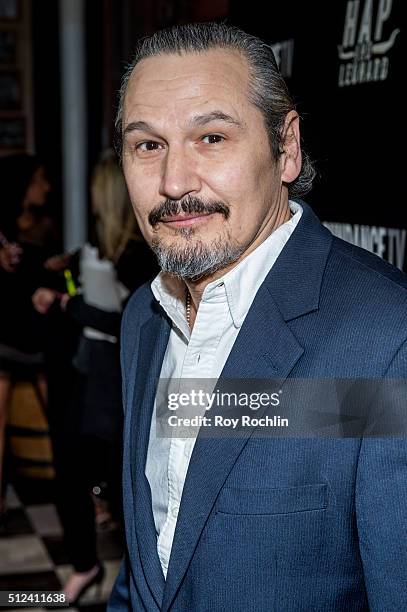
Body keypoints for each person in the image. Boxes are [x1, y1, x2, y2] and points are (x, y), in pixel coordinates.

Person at [108, 23, 407, 611]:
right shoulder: (144, 318)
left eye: (211, 138)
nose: (173, 182)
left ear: (286, 146)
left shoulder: (386, 342)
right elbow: (156, 555)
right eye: (148, 145)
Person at [33, 149, 158, 605]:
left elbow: (127, 321)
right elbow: (88, 290)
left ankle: (136, 584)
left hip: (119, 383)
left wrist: (70, 304)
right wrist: (66, 278)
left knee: (124, 482)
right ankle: (86, 567)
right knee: (69, 475)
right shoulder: (99, 244)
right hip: (84, 377)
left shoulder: (142, 257)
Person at [0, 154, 63, 523]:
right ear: (23, 185)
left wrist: (54, 268)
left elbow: (43, 278)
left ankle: (71, 494)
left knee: (57, 418)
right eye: (40, 180)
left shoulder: (46, 225)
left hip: (39, 337)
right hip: (7, 334)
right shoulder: (3, 227)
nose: (47, 187)